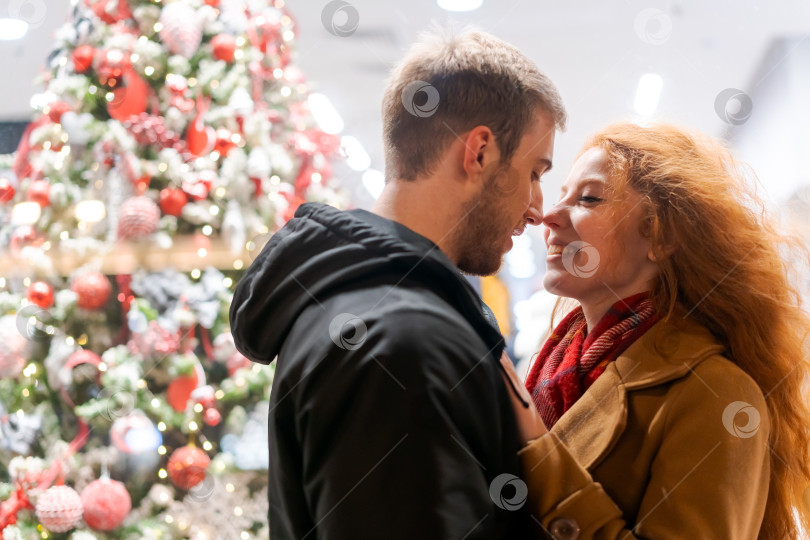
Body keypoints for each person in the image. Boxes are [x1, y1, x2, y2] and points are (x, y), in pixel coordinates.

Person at [229, 28, 566, 539]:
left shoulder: (356, 303)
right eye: (535, 173)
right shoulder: (405, 341)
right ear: (479, 152)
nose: (538, 209)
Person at [500, 122, 810, 539]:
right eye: (562, 196)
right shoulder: (550, 368)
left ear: (662, 237)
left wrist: (539, 447)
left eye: (588, 198)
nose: (548, 216)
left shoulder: (719, 393)